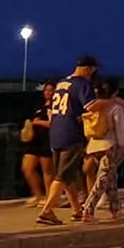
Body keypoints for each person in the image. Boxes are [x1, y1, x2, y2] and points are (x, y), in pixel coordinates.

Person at [36, 56, 97, 225]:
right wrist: (110, 103)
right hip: (72, 133)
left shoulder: (62, 83)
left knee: (65, 174)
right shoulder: (83, 84)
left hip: (56, 132)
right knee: (63, 175)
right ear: (89, 69)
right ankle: (47, 211)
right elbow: (91, 106)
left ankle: (77, 209)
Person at [82, 79, 124, 221]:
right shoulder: (116, 107)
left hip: (94, 146)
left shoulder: (96, 106)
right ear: (115, 92)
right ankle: (88, 209)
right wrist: (123, 146)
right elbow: (120, 130)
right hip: (109, 146)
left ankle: (115, 209)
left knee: (110, 177)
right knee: (102, 180)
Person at [20, 83, 55, 207]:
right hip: (35, 141)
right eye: (46, 90)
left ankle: (49, 198)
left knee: (47, 171)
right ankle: (37, 195)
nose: (48, 93)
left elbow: (53, 124)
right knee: (27, 168)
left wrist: (39, 122)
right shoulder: (38, 105)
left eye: (51, 90)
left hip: (47, 141)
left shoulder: (55, 106)